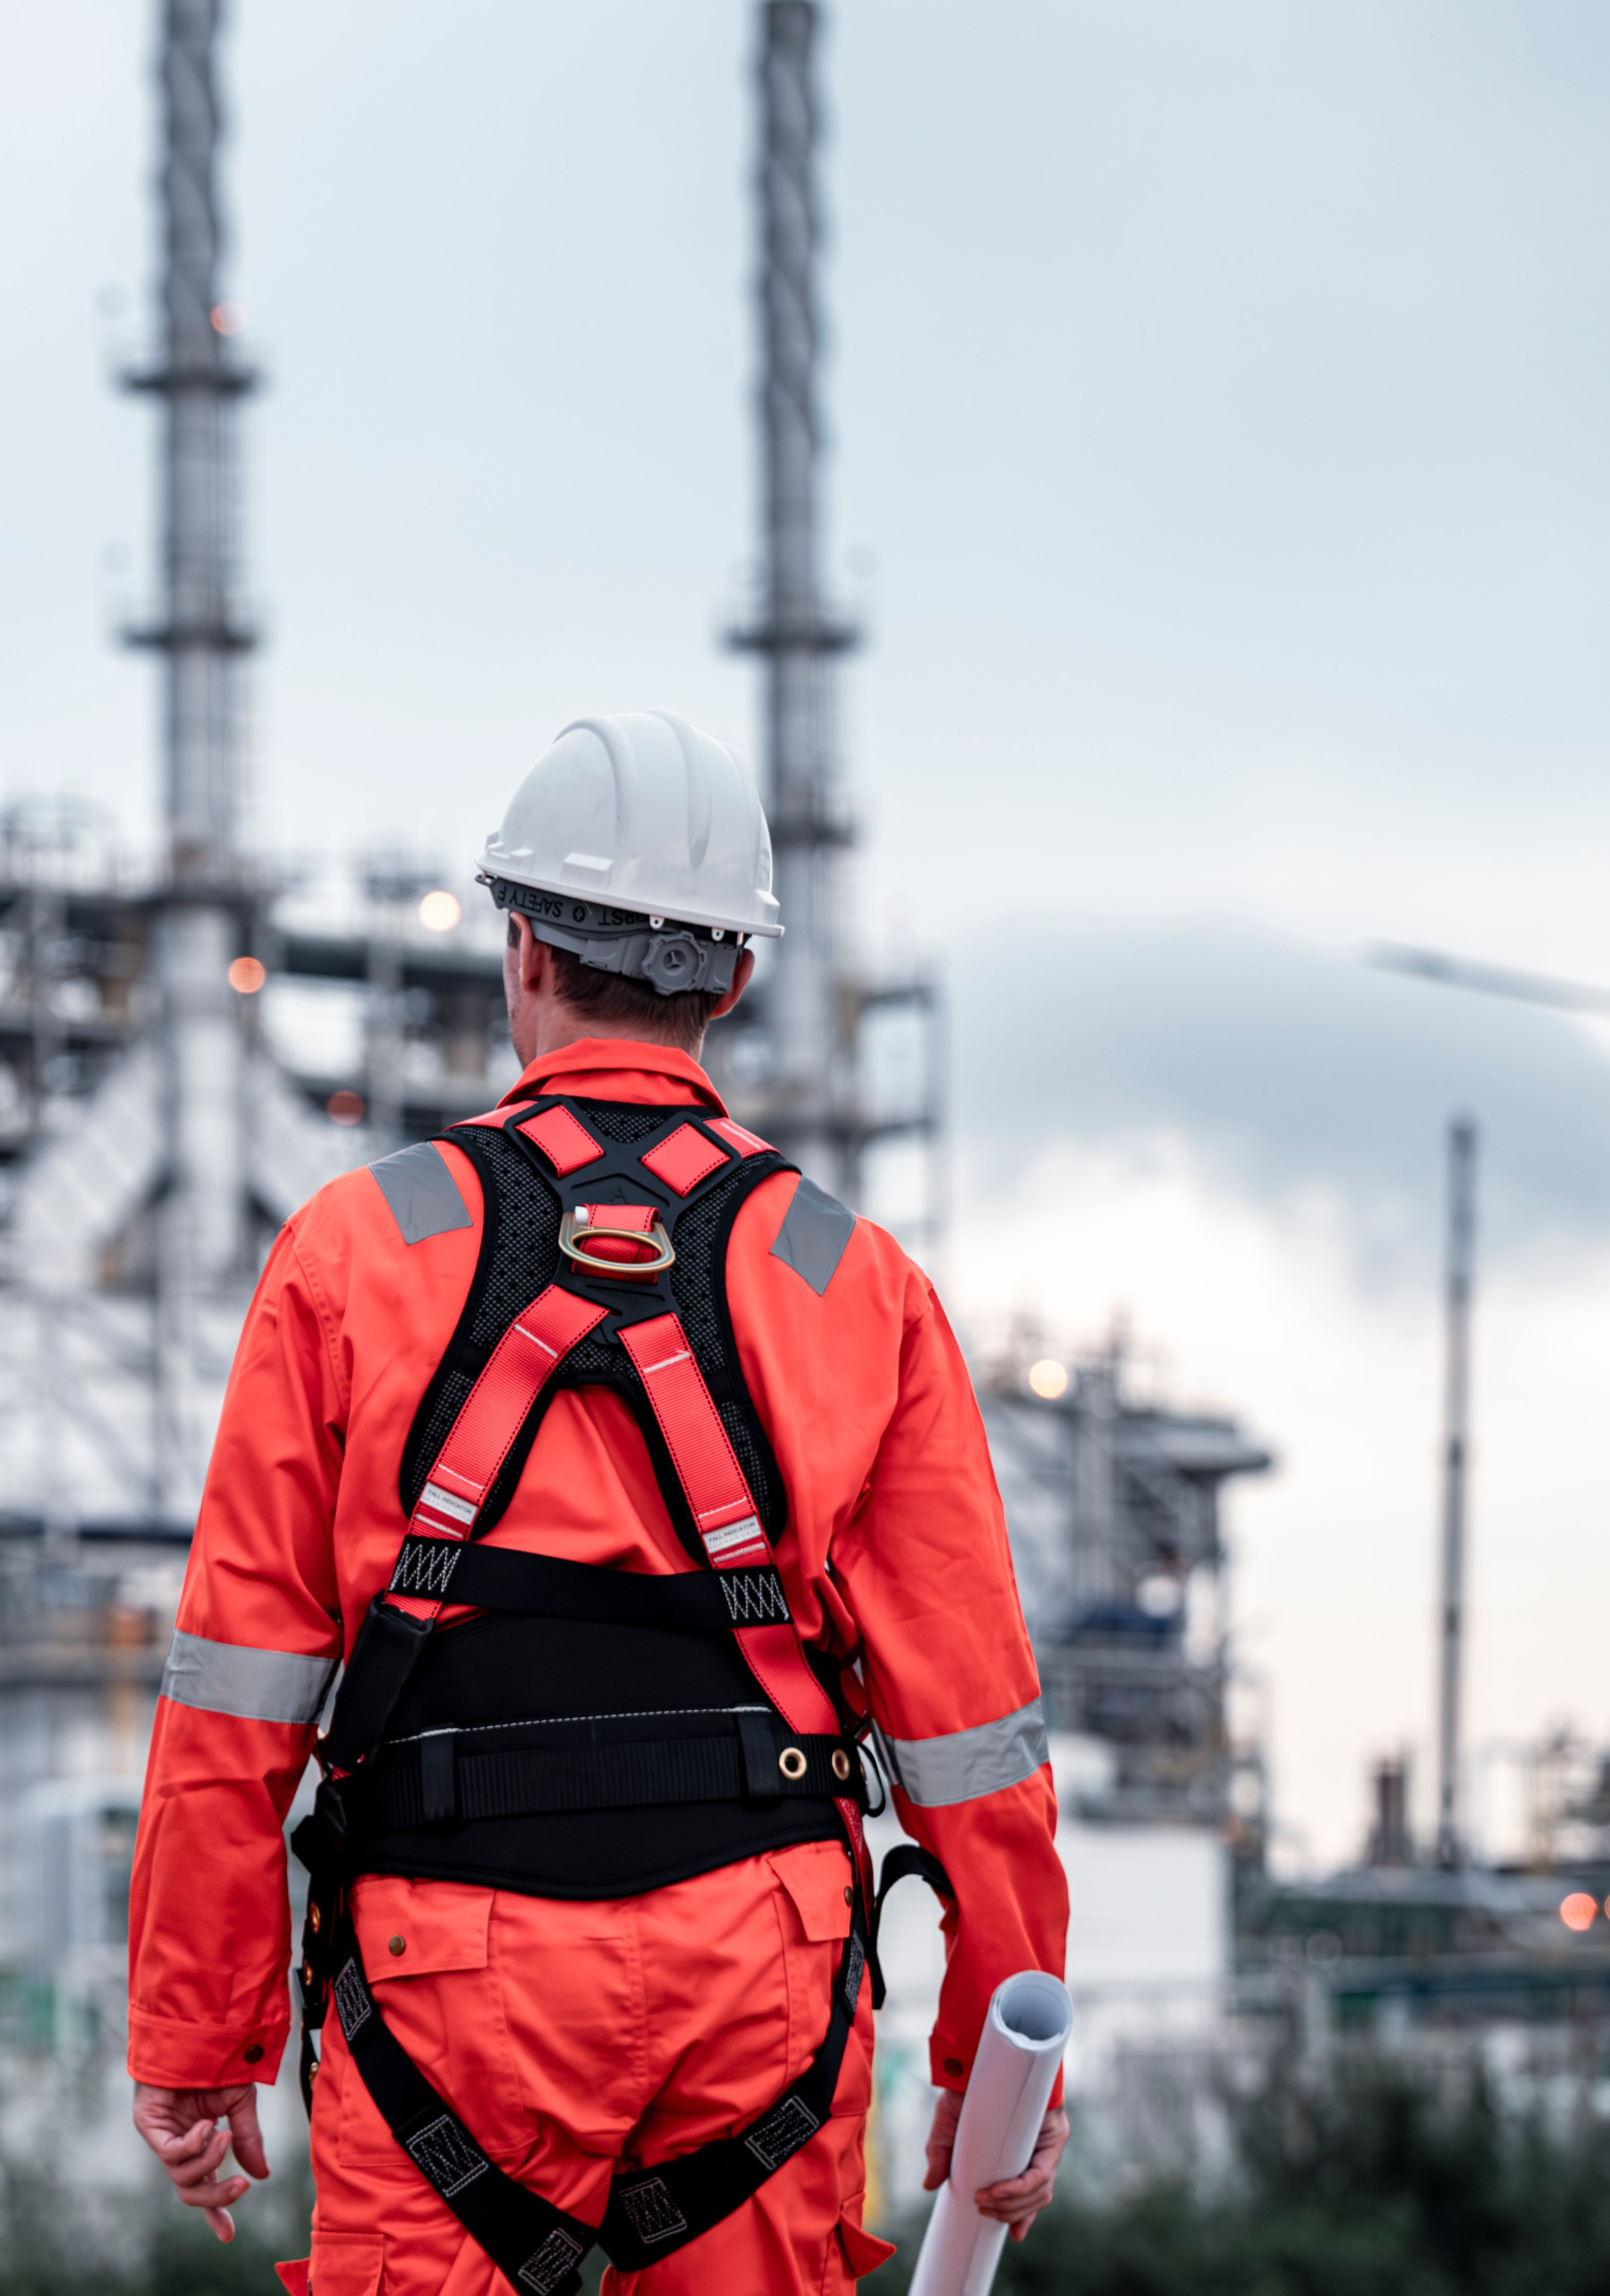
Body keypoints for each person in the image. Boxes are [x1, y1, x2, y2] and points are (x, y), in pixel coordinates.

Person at [124, 712, 1070, 2293]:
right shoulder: (858, 1282)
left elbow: (238, 1690)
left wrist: (197, 2031)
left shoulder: (356, 1251)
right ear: (738, 982)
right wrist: (999, 2054)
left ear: (519, 952)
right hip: (763, 1968)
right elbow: (973, 1729)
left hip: (446, 1969)